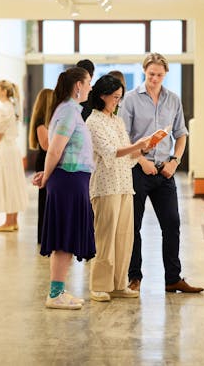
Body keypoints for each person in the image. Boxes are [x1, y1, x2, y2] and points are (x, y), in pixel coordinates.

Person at [119, 53, 204, 293]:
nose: (154, 79)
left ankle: (173, 278)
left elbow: (181, 133)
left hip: (165, 171)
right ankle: (134, 277)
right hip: (137, 170)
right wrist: (140, 159)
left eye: (159, 75)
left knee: (172, 224)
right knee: (133, 226)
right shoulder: (131, 100)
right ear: (144, 72)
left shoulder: (173, 100)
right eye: (150, 74)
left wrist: (175, 161)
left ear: (165, 74)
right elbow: (124, 136)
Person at [32, 67, 95, 309]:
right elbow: (55, 149)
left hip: (73, 179)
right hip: (68, 179)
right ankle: (55, 294)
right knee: (63, 239)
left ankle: (58, 290)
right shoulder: (68, 110)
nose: (91, 85)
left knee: (66, 238)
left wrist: (47, 174)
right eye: (88, 81)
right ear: (78, 85)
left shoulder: (71, 110)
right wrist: (46, 177)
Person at [86, 75, 151, 302]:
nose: (117, 102)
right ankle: (99, 285)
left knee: (124, 236)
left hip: (124, 184)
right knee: (105, 237)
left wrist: (144, 148)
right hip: (105, 186)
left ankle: (118, 283)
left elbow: (128, 152)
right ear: (102, 96)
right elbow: (111, 151)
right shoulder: (93, 122)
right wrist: (136, 145)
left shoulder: (116, 121)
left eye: (119, 98)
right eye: (114, 98)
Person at [0, 80, 28, 232]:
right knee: (13, 183)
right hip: (13, 149)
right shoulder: (12, 106)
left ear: (4, 91)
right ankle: (13, 220)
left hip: (5, 149)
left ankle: (8, 222)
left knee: (7, 183)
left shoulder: (3, 109)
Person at [28, 88, 54, 244]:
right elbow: (46, 145)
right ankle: (44, 236)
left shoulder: (50, 123)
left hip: (48, 161)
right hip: (44, 161)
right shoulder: (41, 124)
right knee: (45, 200)